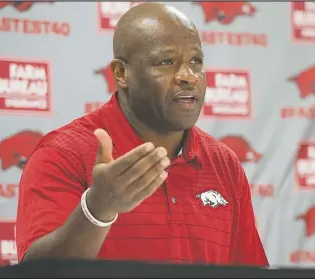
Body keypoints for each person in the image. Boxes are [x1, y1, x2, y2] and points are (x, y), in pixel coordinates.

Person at [16, 2, 268, 267]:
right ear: (122, 73)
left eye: (196, 61)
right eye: (167, 61)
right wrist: (97, 209)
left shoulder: (224, 164)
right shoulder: (62, 155)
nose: (189, 76)